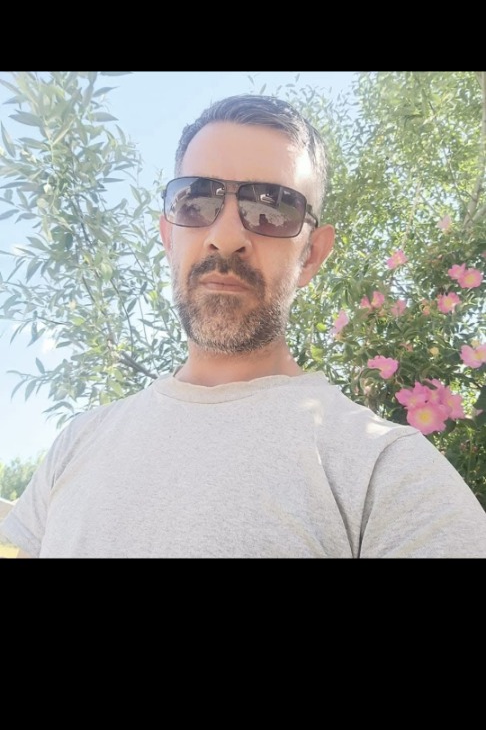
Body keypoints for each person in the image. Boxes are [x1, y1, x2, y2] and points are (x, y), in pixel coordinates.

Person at [1, 93, 486, 558]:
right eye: (196, 201)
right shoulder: (77, 442)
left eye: (272, 207)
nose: (226, 236)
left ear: (312, 254)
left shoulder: (385, 470)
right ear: (169, 236)